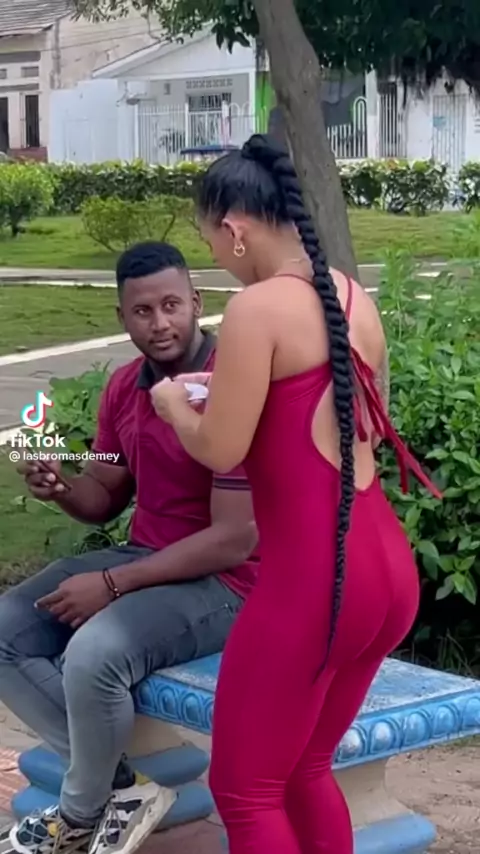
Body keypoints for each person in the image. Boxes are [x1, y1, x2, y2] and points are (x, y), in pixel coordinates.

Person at [150, 136, 441, 854]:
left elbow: (221, 449)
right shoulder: (348, 294)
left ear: (235, 229)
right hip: (384, 572)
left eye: (209, 242)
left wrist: (173, 405)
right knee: (306, 769)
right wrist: (225, 388)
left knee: (245, 790)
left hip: (317, 582)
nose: (216, 257)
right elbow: (320, 408)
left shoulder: (256, 309)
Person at [0, 242, 258, 854]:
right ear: (122, 317)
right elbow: (105, 492)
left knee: (94, 653)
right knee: (6, 626)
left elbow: (235, 538)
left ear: (197, 303)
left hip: (231, 582)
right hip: (148, 558)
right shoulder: (124, 388)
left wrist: (113, 586)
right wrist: (62, 486)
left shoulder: (232, 386)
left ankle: (77, 817)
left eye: (172, 305)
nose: (159, 323)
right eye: (142, 311)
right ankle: (116, 786)